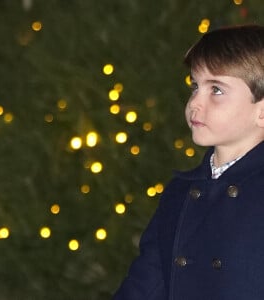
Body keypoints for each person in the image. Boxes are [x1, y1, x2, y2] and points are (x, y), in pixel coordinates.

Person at [113, 24, 264, 300]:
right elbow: (144, 286)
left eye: (216, 90)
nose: (195, 102)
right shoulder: (181, 192)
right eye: (195, 86)